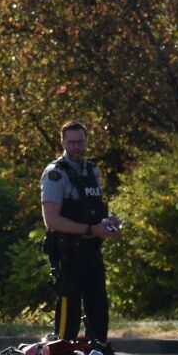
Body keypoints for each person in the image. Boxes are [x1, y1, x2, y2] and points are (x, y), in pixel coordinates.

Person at [40, 121, 122, 341]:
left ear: (86, 141)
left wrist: (108, 223)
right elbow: (52, 221)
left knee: (99, 311)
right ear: (63, 143)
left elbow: (94, 210)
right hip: (68, 256)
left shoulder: (92, 171)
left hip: (92, 252)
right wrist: (91, 228)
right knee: (69, 320)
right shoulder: (55, 174)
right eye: (71, 142)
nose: (77, 146)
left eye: (80, 141)